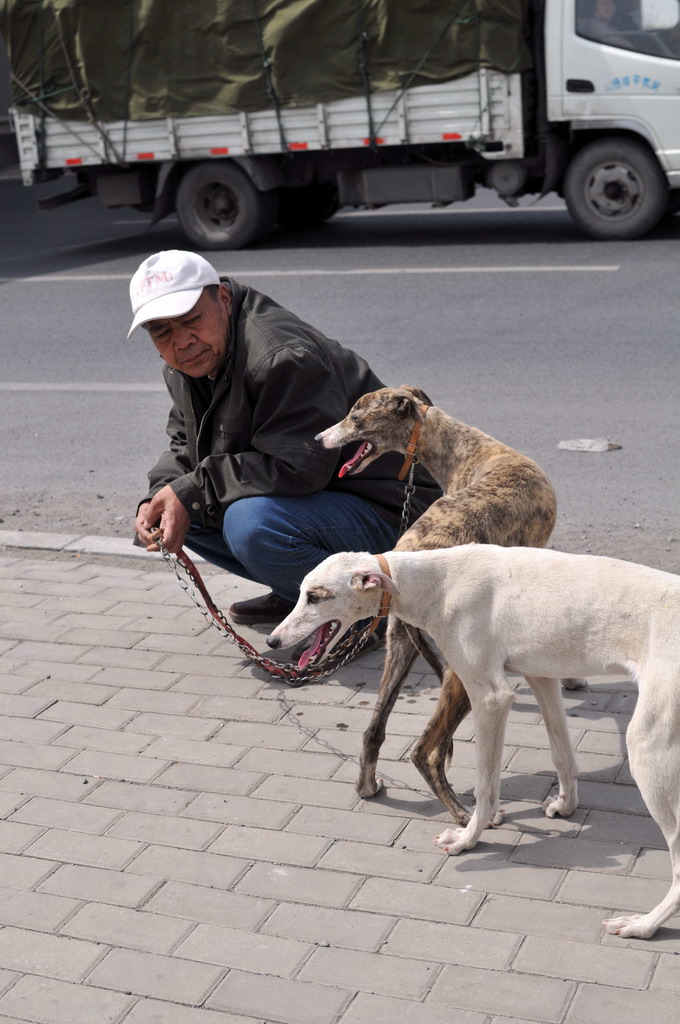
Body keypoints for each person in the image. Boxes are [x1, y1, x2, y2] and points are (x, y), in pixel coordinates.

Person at [131, 250, 440, 637]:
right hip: (327, 504)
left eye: (192, 320)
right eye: (162, 332)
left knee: (252, 524)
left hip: (399, 520)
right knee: (177, 507)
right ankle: (296, 588)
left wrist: (190, 489)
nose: (182, 341)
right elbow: (184, 442)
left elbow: (300, 467)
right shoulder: (191, 361)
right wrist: (158, 496)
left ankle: (357, 617)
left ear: (222, 299)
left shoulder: (282, 356)